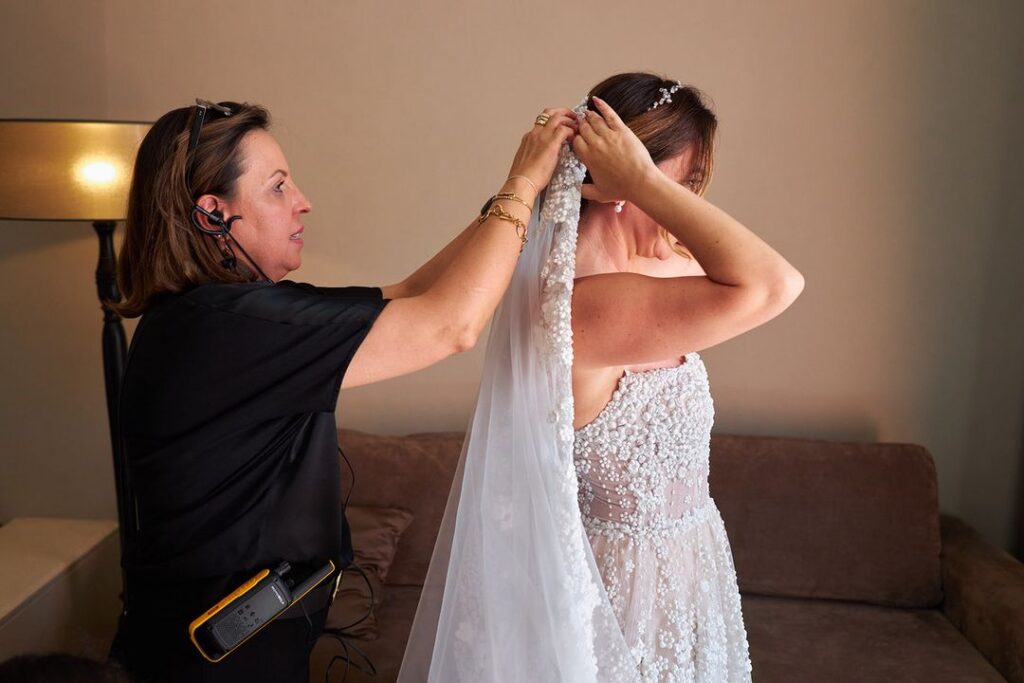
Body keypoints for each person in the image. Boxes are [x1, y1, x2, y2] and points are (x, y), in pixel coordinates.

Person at [106, 98, 577, 683]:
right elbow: (449, 326)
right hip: (217, 667)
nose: (303, 201)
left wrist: (514, 200)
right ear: (212, 215)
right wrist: (523, 182)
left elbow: (411, 292)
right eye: (277, 188)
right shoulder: (230, 330)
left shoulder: (218, 318)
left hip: (230, 649)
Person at [399, 73, 804, 682]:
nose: (697, 202)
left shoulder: (658, 270)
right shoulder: (590, 309)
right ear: (621, 177)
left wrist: (646, 188)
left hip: (689, 571)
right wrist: (641, 181)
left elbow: (732, 268)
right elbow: (776, 284)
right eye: (687, 183)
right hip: (627, 601)